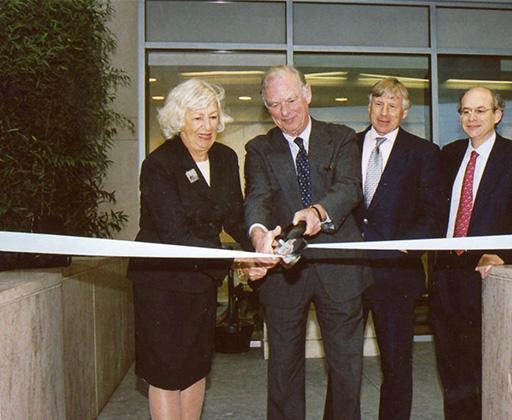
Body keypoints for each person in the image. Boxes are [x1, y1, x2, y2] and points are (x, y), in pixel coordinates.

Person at [127, 79, 266, 420]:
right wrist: (235, 258)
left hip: (201, 278)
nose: (208, 127)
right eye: (198, 118)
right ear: (179, 120)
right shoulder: (160, 164)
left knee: (195, 364)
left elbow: (235, 215)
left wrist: (258, 244)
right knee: (166, 371)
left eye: (213, 117)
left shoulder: (225, 157)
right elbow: (175, 232)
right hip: (161, 282)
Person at [243, 65, 372, 420]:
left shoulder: (342, 137)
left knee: (346, 369)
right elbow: (256, 198)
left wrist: (318, 211)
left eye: (290, 100)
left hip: (340, 270)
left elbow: (349, 188)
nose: (284, 112)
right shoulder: (258, 148)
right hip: (283, 274)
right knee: (282, 369)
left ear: (307, 93)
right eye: (274, 105)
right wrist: (258, 236)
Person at [431, 87, 512, 419]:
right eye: (466, 111)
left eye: (480, 111)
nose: (472, 118)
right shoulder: (450, 155)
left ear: (497, 115)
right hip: (447, 276)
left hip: (488, 276)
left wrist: (503, 255)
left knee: (486, 368)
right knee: (451, 368)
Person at [352, 77, 444, 419]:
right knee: (344, 363)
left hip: (396, 277)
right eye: (379, 104)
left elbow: (434, 214)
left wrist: (408, 246)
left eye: (393, 106)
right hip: (348, 275)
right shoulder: (349, 145)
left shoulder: (422, 153)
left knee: (396, 365)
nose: (385, 112)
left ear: (404, 112)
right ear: (369, 107)